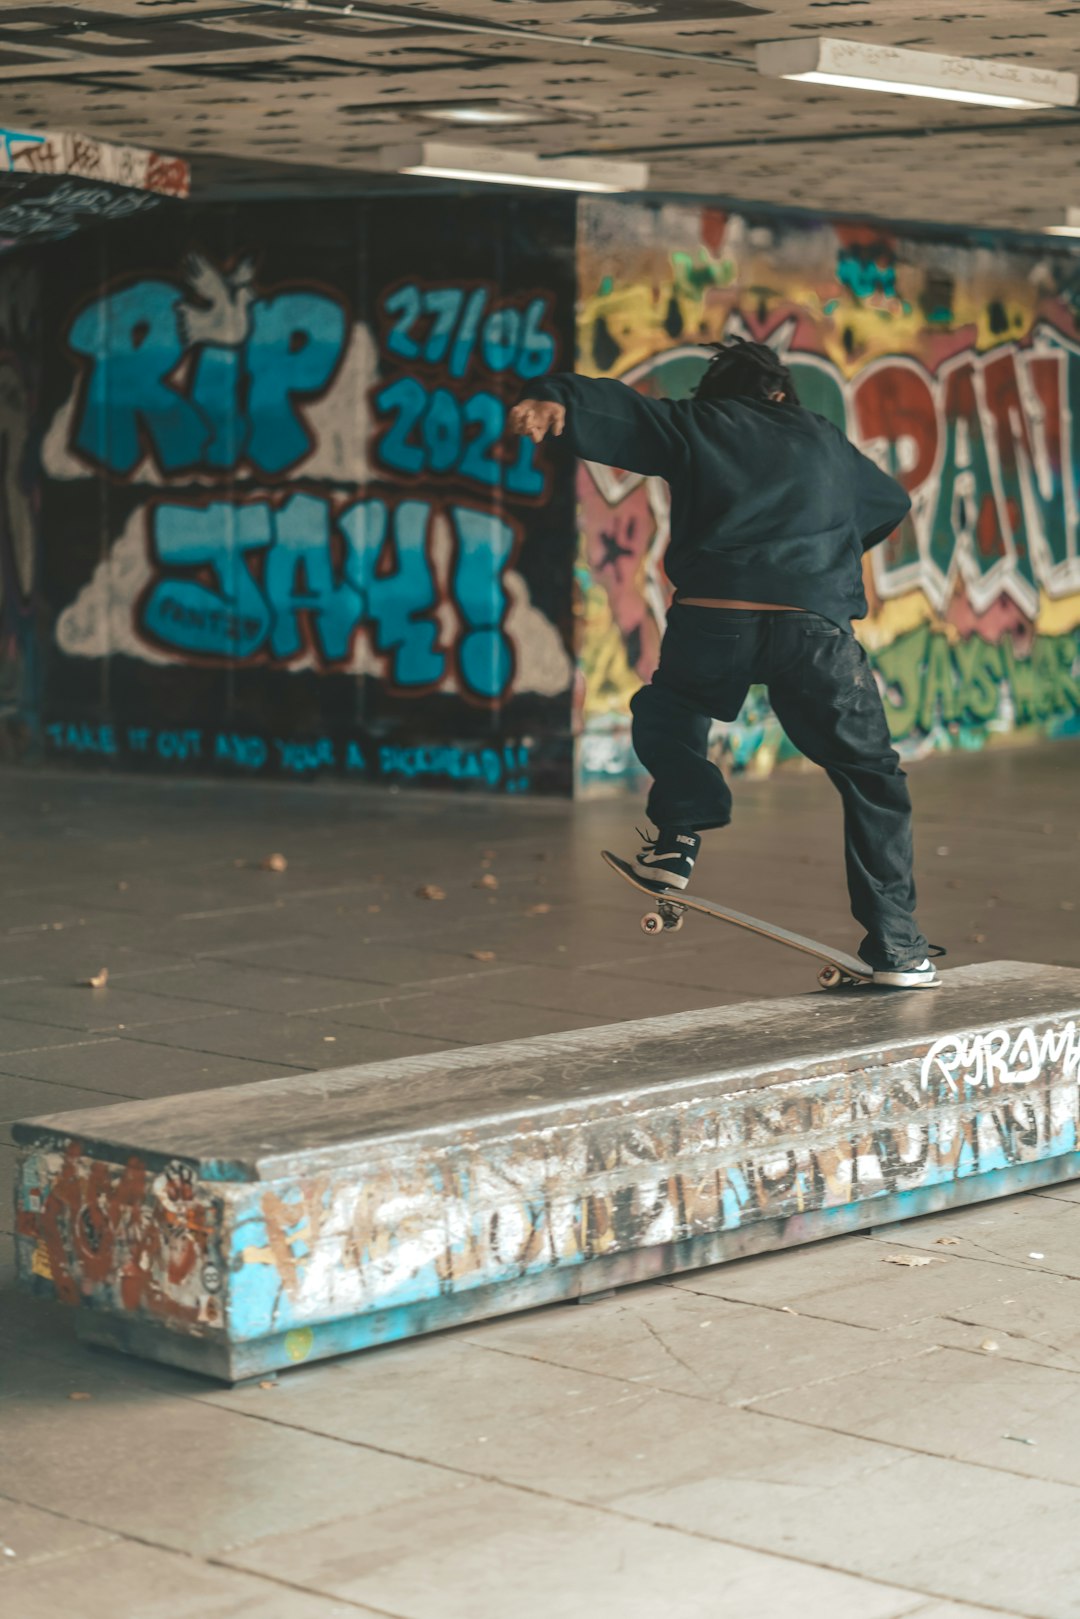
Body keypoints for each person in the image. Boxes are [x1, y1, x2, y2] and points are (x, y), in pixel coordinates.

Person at [509, 336, 942, 989]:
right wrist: (822, 547)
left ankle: (679, 832)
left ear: (719, 393)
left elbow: (625, 414)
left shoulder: (699, 422)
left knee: (671, 707)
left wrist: (556, 401)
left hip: (716, 616)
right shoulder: (825, 439)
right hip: (814, 630)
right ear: (779, 392)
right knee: (871, 776)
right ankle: (899, 945)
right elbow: (888, 503)